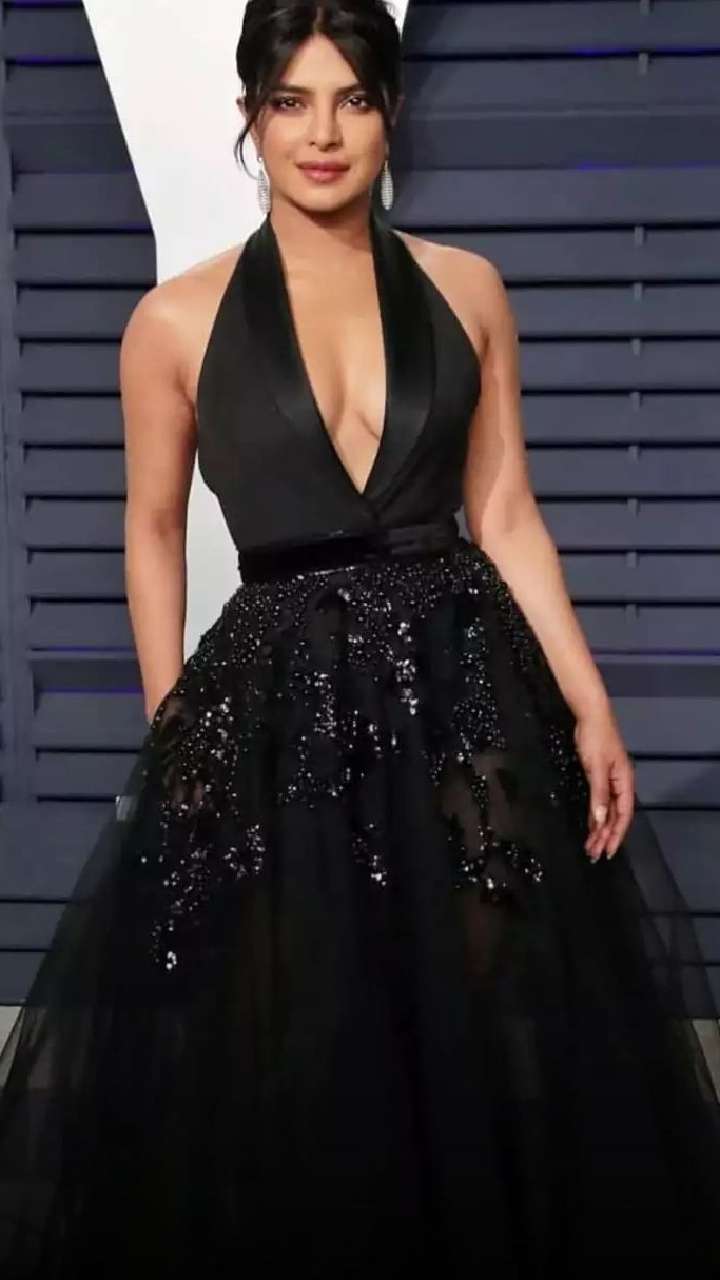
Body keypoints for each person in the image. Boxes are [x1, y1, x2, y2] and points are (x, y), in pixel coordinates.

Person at [1, 0, 720, 1274]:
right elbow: (152, 529)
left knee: (487, 1009)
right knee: (292, 1022)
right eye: (292, 102)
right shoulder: (173, 322)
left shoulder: (466, 288)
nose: (322, 134)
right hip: (278, 700)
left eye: (353, 99)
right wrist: (172, 726)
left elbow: (506, 509)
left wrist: (590, 701)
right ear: (250, 118)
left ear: (390, 115)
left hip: (463, 679)